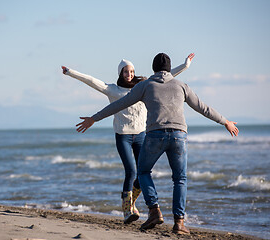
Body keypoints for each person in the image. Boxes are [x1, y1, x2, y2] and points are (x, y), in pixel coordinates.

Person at [75, 53, 239, 234]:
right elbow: (202, 107)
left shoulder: (145, 85)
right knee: (180, 179)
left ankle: (154, 210)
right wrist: (225, 121)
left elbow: (119, 104)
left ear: (153, 68)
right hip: (179, 136)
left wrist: (94, 119)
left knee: (143, 172)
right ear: (169, 69)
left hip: (155, 136)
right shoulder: (181, 85)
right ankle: (179, 223)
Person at [62, 53, 195, 224]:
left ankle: (130, 203)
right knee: (131, 171)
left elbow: (166, 75)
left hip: (141, 135)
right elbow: (92, 81)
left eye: (132, 71)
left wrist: (185, 65)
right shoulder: (113, 90)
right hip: (123, 136)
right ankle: (127, 211)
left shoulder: (143, 85)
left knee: (142, 173)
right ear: (120, 73)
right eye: (126, 72)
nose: (130, 74)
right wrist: (70, 72)